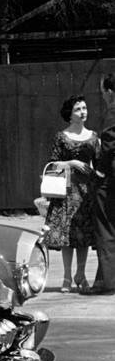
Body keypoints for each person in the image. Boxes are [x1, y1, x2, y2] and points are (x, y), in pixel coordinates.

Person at [42, 94, 99, 292]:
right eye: (78, 109)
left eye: (84, 108)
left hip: (86, 192)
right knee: (67, 237)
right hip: (67, 190)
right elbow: (53, 162)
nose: (83, 112)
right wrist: (72, 163)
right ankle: (66, 277)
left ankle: (81, 275)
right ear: (69, 114)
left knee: (83, 237)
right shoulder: (61, 137)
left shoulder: (93, 136)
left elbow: (98, 163)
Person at [84, 76, 115, 295]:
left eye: (103, 92)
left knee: (105, 228)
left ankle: (108, 281)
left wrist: (99, 169)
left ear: (110, 92)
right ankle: (103, 278)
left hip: (111, 179)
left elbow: (109, 143)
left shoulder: (113, 112)